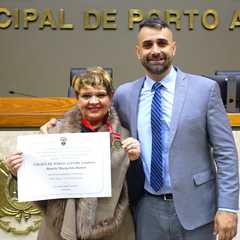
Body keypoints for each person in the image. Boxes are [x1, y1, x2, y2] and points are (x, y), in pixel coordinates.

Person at [40, 17, 239, 240]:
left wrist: (228, 208)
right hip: (146, 210)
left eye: (162, 43)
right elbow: (94, 116)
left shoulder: (205, 89)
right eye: (147, 45)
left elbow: (226, 154)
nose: (155, 50)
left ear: (173, 48)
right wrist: (57, 128)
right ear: (138, 52)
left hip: (198, 209)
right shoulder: (125, 94)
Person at [4, 66, 140, 240]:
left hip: (111, 230)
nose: (93, 101)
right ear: (76, 98)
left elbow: (135, 191)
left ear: (111, 97)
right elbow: (40, 185)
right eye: (86, 95)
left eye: (100, 95)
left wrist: (135, 161)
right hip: (58, 228)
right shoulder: (54, 133)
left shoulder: (125, 137)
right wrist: (18, 173)